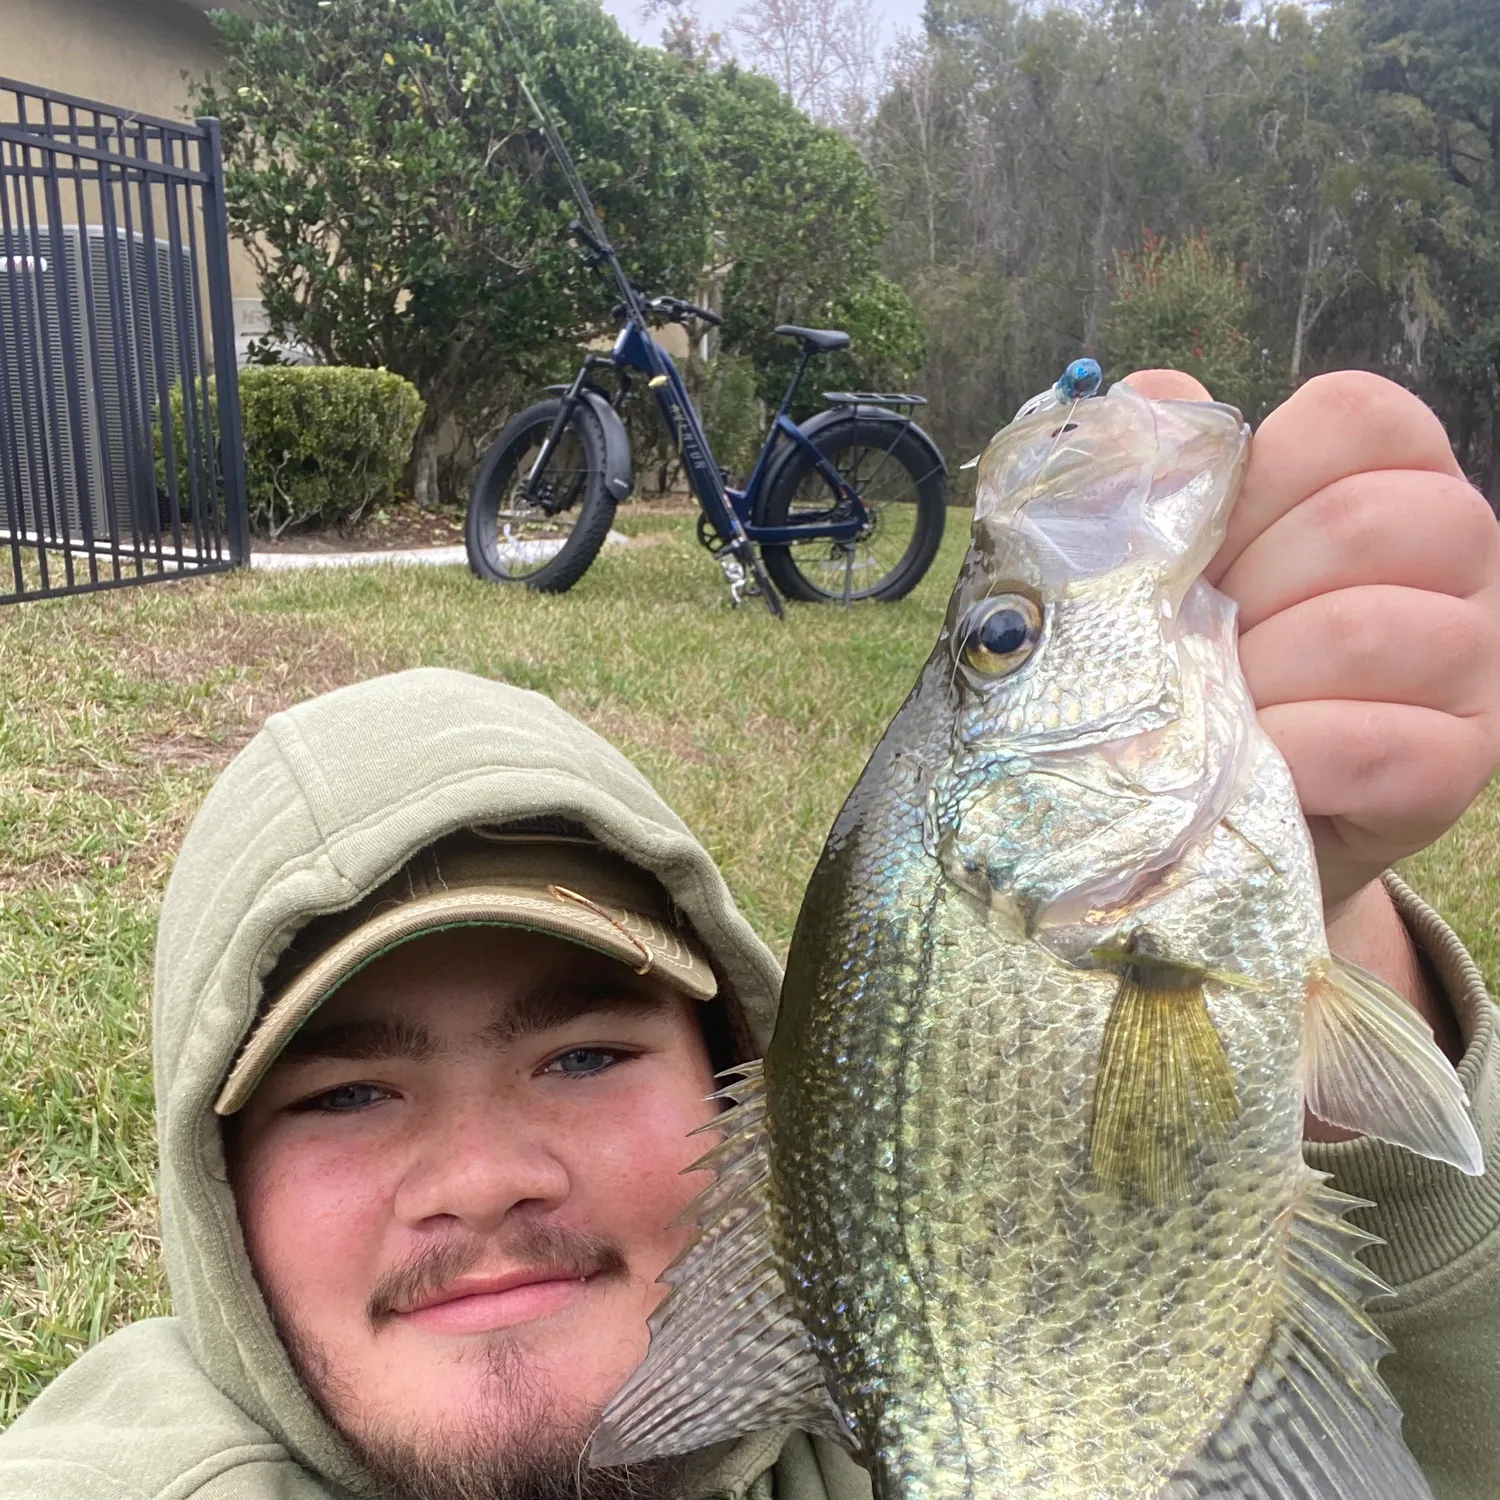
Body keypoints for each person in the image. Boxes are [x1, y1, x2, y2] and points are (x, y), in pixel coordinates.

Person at [0, 370, 1497, 1500]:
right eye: (344, 1092)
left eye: (586, 1053)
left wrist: (1347, 930)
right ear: (212, 1185)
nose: (486, 1179)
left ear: (748, 1070)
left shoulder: (859, 1420)